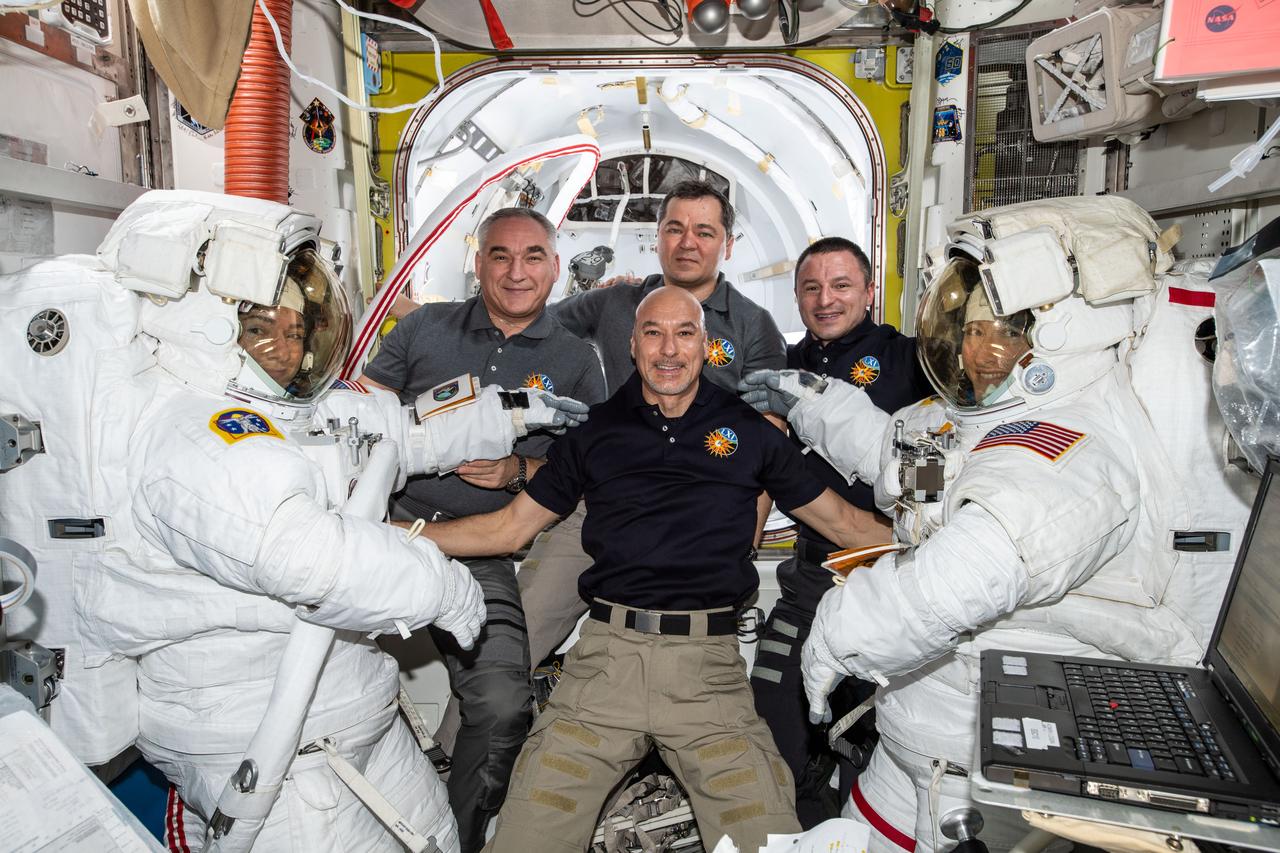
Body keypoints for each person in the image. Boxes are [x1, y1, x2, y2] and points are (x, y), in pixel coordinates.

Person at [22, 190, 589, 852]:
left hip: (342, 706)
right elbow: (309, 555)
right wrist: (443, 585)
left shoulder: (278, 410)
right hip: (267, 739)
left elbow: (394, 433)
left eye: (297, 330)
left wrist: (508, 411)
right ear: (214, 327)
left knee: (431, 834)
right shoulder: (195, 437)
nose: (287, 349)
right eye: (265, 330)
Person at [742, 196, 1206, 852]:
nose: (983, 350)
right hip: (922, 732)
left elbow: (970, 571)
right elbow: (900, 461)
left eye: (1007, 333)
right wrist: (812, 400)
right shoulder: (983, 420)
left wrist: (839, 635)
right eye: (972, 329)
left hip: (987, 762)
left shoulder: (1070, 448)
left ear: (1057, 339)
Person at [418, 286, 888, 853]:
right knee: (525, 840)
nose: (669, 349)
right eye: (653, 333)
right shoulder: (596, 433)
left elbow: (847, 525)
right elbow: (506, 530)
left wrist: (940, 533)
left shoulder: (751, 433)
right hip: (604, 669)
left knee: (768, 842)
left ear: (705, 346)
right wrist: (400, 535)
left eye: (684, 333)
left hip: (708, 676)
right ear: (632, 346)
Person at [358, 207, 606, 852]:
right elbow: (357, 419)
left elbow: (588, 470)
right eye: (501, 256)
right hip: (381, 533)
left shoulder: (576, 359)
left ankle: (457, 836)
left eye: (532, 257)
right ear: (479, 264)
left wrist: (517, 470)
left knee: (501, 704)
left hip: (479, 546)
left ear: (555, 267)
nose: (516, 272)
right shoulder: (423, 328)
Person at [517, 179, 789, 693]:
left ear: (728, 245)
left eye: (704, 232)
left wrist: (746, 540)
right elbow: (528, 324)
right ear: (657, 237)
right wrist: (431, 320)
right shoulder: (613, 302)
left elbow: (768, 440)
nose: (688, 243)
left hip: (703, 520)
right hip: (600, 504)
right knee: (516, 635)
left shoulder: (754, 325)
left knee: (681, 679)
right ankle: (472, 739)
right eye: (674, 229)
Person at [746, 237, 932, 828]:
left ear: (870, 291)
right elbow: (754, 472)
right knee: (770, 715)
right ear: (796, 297)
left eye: (841, 285)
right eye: (811, 288)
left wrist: (916, 527)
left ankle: (858, 828)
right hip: (809, 575)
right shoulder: (780, 369)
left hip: (891, 577)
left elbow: (939, 464)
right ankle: (803, 828)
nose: (825, 299)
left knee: (876, 738)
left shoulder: (911, 361)